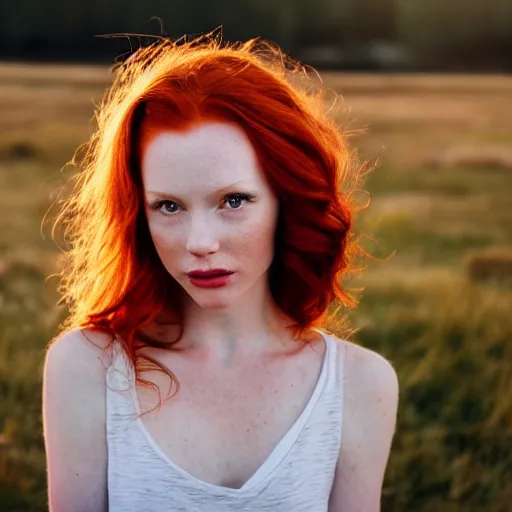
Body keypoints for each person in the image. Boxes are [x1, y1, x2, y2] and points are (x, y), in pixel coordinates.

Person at [42, 32, 399, 512]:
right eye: (168, 206)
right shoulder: (89, 368)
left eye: (233, 201)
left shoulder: (359, 385)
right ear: (139, 215)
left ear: (285, 198)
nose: (199, 243)